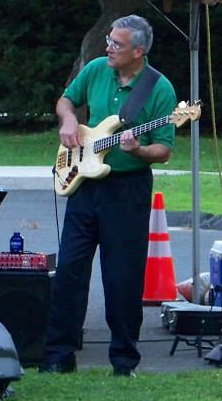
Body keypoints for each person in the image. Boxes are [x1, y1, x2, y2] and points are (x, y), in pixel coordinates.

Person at [40, 15, 177, 377]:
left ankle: (123, 362)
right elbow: (65, 101)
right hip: (85, 184)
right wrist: (68, 121)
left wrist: (136, 150)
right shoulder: (98, 68)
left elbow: (162, 149)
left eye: (117, 44)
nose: (108, 47)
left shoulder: (159, 89)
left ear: (138, 50)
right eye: (109, 41)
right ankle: (58, 356)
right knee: (69, 269)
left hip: (127, 189)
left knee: (122, 276)